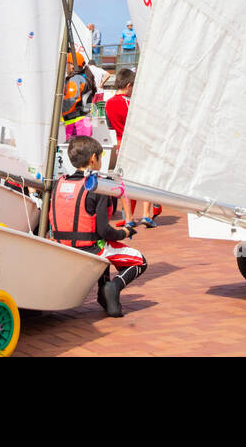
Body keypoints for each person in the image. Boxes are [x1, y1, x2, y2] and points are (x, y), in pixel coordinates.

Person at [49, 134, 147, 317]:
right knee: (140, 261)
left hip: (62, 247)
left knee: (104, 247)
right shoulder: (97, 187)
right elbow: (104, 231)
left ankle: (105, 295)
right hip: (91, 249)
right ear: (93, 159)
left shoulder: (58, 184)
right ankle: (113, 287)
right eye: (101, 157)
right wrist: (124, 232)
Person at [104, 68, 159, 227]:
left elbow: (110, 127)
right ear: (128, 85)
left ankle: (128, 218)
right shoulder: (130, 103)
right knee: (146, 179)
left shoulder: (108, 104)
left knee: (124, 182)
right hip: (135, 143)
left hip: (120, 145)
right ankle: (146, 215)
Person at [60, 51, 97, 141]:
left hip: (77, 125)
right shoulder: (83, 77)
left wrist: (59, 113)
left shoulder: (75, 79)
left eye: (66, 64)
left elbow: (72, 100)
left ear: (72, 65)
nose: (65, 68)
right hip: (83, 122)